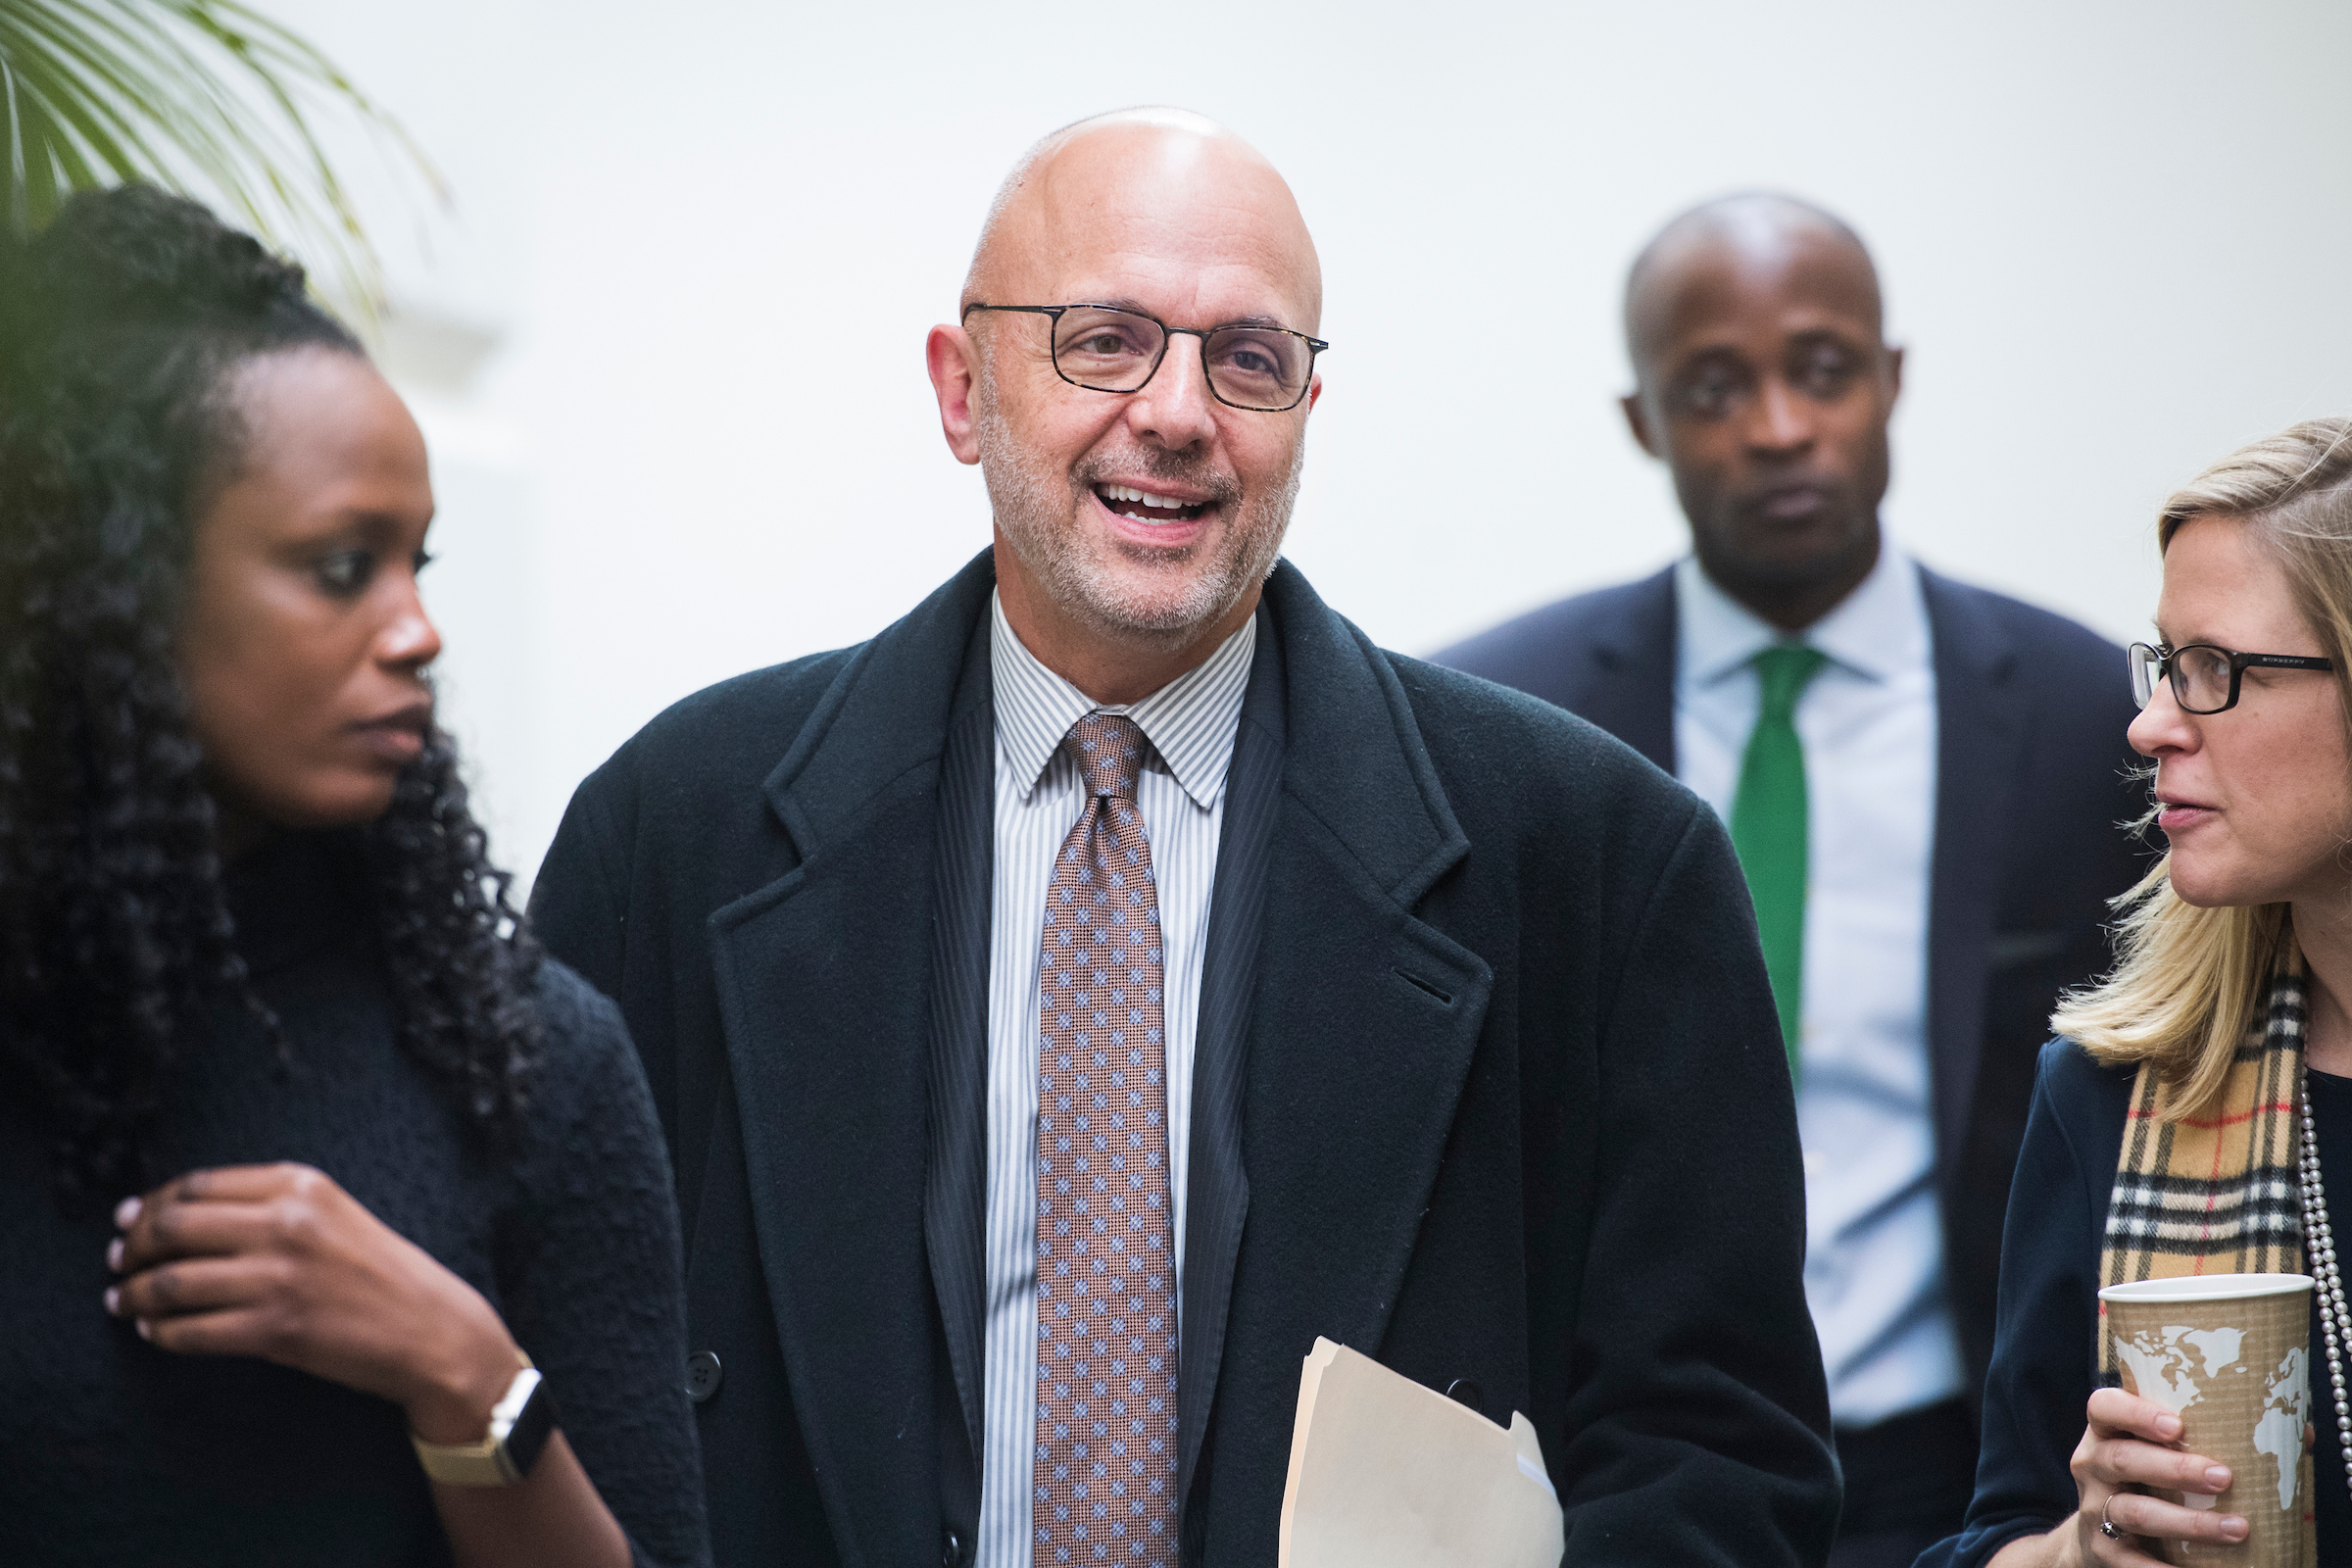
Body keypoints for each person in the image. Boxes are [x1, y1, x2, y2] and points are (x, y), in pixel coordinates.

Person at [528, 107, 1838, 1567]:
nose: (1176, 411)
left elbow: (1720, 1467)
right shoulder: (671, 834)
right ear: (962, 392)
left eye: (1249, 359)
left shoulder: (1600, 866)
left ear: (1304, 418)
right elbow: (553, 1397)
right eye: (1104, 340)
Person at [0, 185, 710, 1568]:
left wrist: (459, 1368)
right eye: (341, 569)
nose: (417, 631)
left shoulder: (528, 1061)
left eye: (417, 563)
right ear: (114, 587)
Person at [1434, 193, 2146, 1565]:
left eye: (1821, 369)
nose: (1776, 426)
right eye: (1713, 386)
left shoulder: (2088, 721)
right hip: (1623, 1482)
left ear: (1890, 380)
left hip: (1968, 1478)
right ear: (1643, 420)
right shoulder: (1498, 726)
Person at [1920, 417, 2352, 1566]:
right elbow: (1995, 1537)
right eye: (2166, 665)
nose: (2152, 722)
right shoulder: (2115, 1092)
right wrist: (2083, 1544)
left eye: (2218, 672)